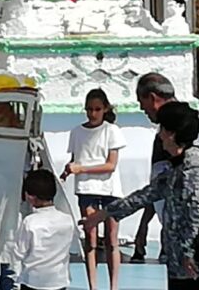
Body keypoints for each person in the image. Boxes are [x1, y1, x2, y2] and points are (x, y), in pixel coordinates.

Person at [88, 101, 199, 289]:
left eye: (162, 129)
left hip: (198, 266)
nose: (159, 135)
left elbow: (196, 212)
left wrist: (188, 253)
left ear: (172, 134)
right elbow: (149, 193)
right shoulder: (179, 165)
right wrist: (106, 213)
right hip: (179, 264)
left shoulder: (195, 167)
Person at [131, 72, 199, 262]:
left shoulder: (188, 128)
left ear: (152, 98)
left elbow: (198, 193)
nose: (141, 108)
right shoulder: (165, 133)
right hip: (174, 232)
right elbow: (159, 184)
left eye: (141, 101)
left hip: (193, 239)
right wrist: (144, 224)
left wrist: (188, 247)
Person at [61, 88, 125, 290]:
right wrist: (69, 170)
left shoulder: (111, 130)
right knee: (90, 239)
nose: (93, 113)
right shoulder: (77, 132)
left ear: (105, 109)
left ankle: (113, 286)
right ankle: (93, 286)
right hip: (87, 188)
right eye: (89, 109)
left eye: (97, 109)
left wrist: (82, 168)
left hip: (110, 189)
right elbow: (75, 159)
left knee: (111, 239)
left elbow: (111, 165)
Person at [10, 169, 75, 290]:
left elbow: (18, 253)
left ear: (30, 196)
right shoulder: (68, 220)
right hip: (59, 282)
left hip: (33, 282)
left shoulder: (30, 222)